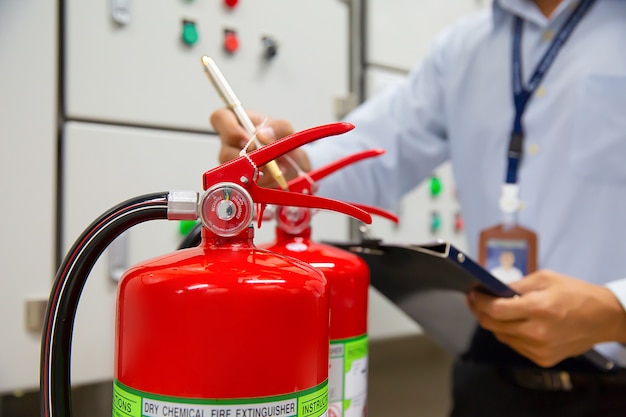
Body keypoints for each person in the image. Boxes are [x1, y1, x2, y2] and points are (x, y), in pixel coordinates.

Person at [211, 0, 626, 415]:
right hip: (488, 382)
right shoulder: (464, 47)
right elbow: (373, 152)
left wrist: (616, 312)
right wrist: (285, 164)